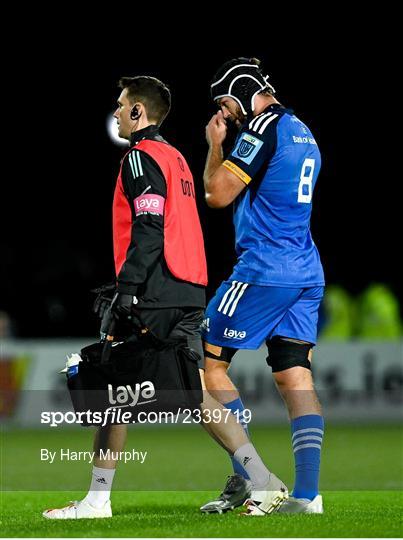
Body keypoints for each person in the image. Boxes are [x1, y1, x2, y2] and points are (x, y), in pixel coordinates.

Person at [43, 75, 287, 519]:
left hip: (156, 291)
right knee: (190, 393)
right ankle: (264, 480)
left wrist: (128, 290)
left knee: (111, 384)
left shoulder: (139, 158)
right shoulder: (174, 156)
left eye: (121, 105)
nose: (116, 112)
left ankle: (98, 499)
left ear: (139, 111)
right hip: (189, 287)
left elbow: (149, 227)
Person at [200, 58, 325, 515]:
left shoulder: (261, 127)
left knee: (205, 371)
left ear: (244, 90)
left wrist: (215, 146)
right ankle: (308, 496)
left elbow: (216, 193)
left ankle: (255, 478)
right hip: (305, 270)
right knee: (294, 375)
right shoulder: (302, 130)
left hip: (262, 270)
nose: (226, 114)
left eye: (226, 102)